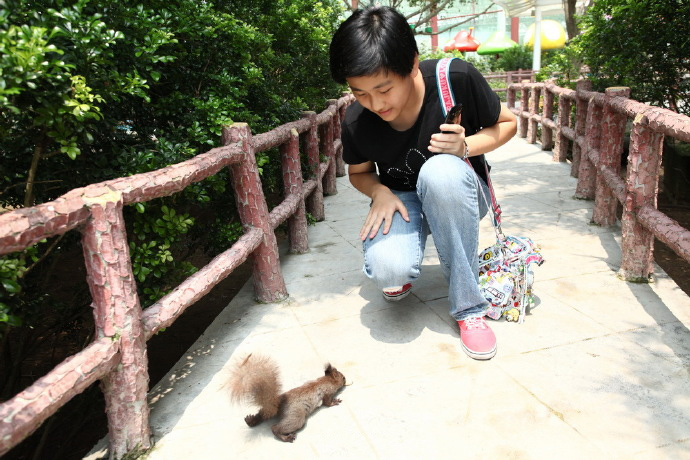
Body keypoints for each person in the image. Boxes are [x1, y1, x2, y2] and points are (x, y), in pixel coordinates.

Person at [328, 6, 517, 360]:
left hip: (455, 189)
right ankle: (404, 263)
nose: (375, 104)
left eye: (384, 89)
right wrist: (379, 192)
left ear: (412, 64)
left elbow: (507, 124)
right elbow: (359, 173)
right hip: (401, 195)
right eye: (360, 93)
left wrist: (466, 147)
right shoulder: (357, 119)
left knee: (440, 171)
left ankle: (469, 307)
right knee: (388, 268)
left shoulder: (455, 79)